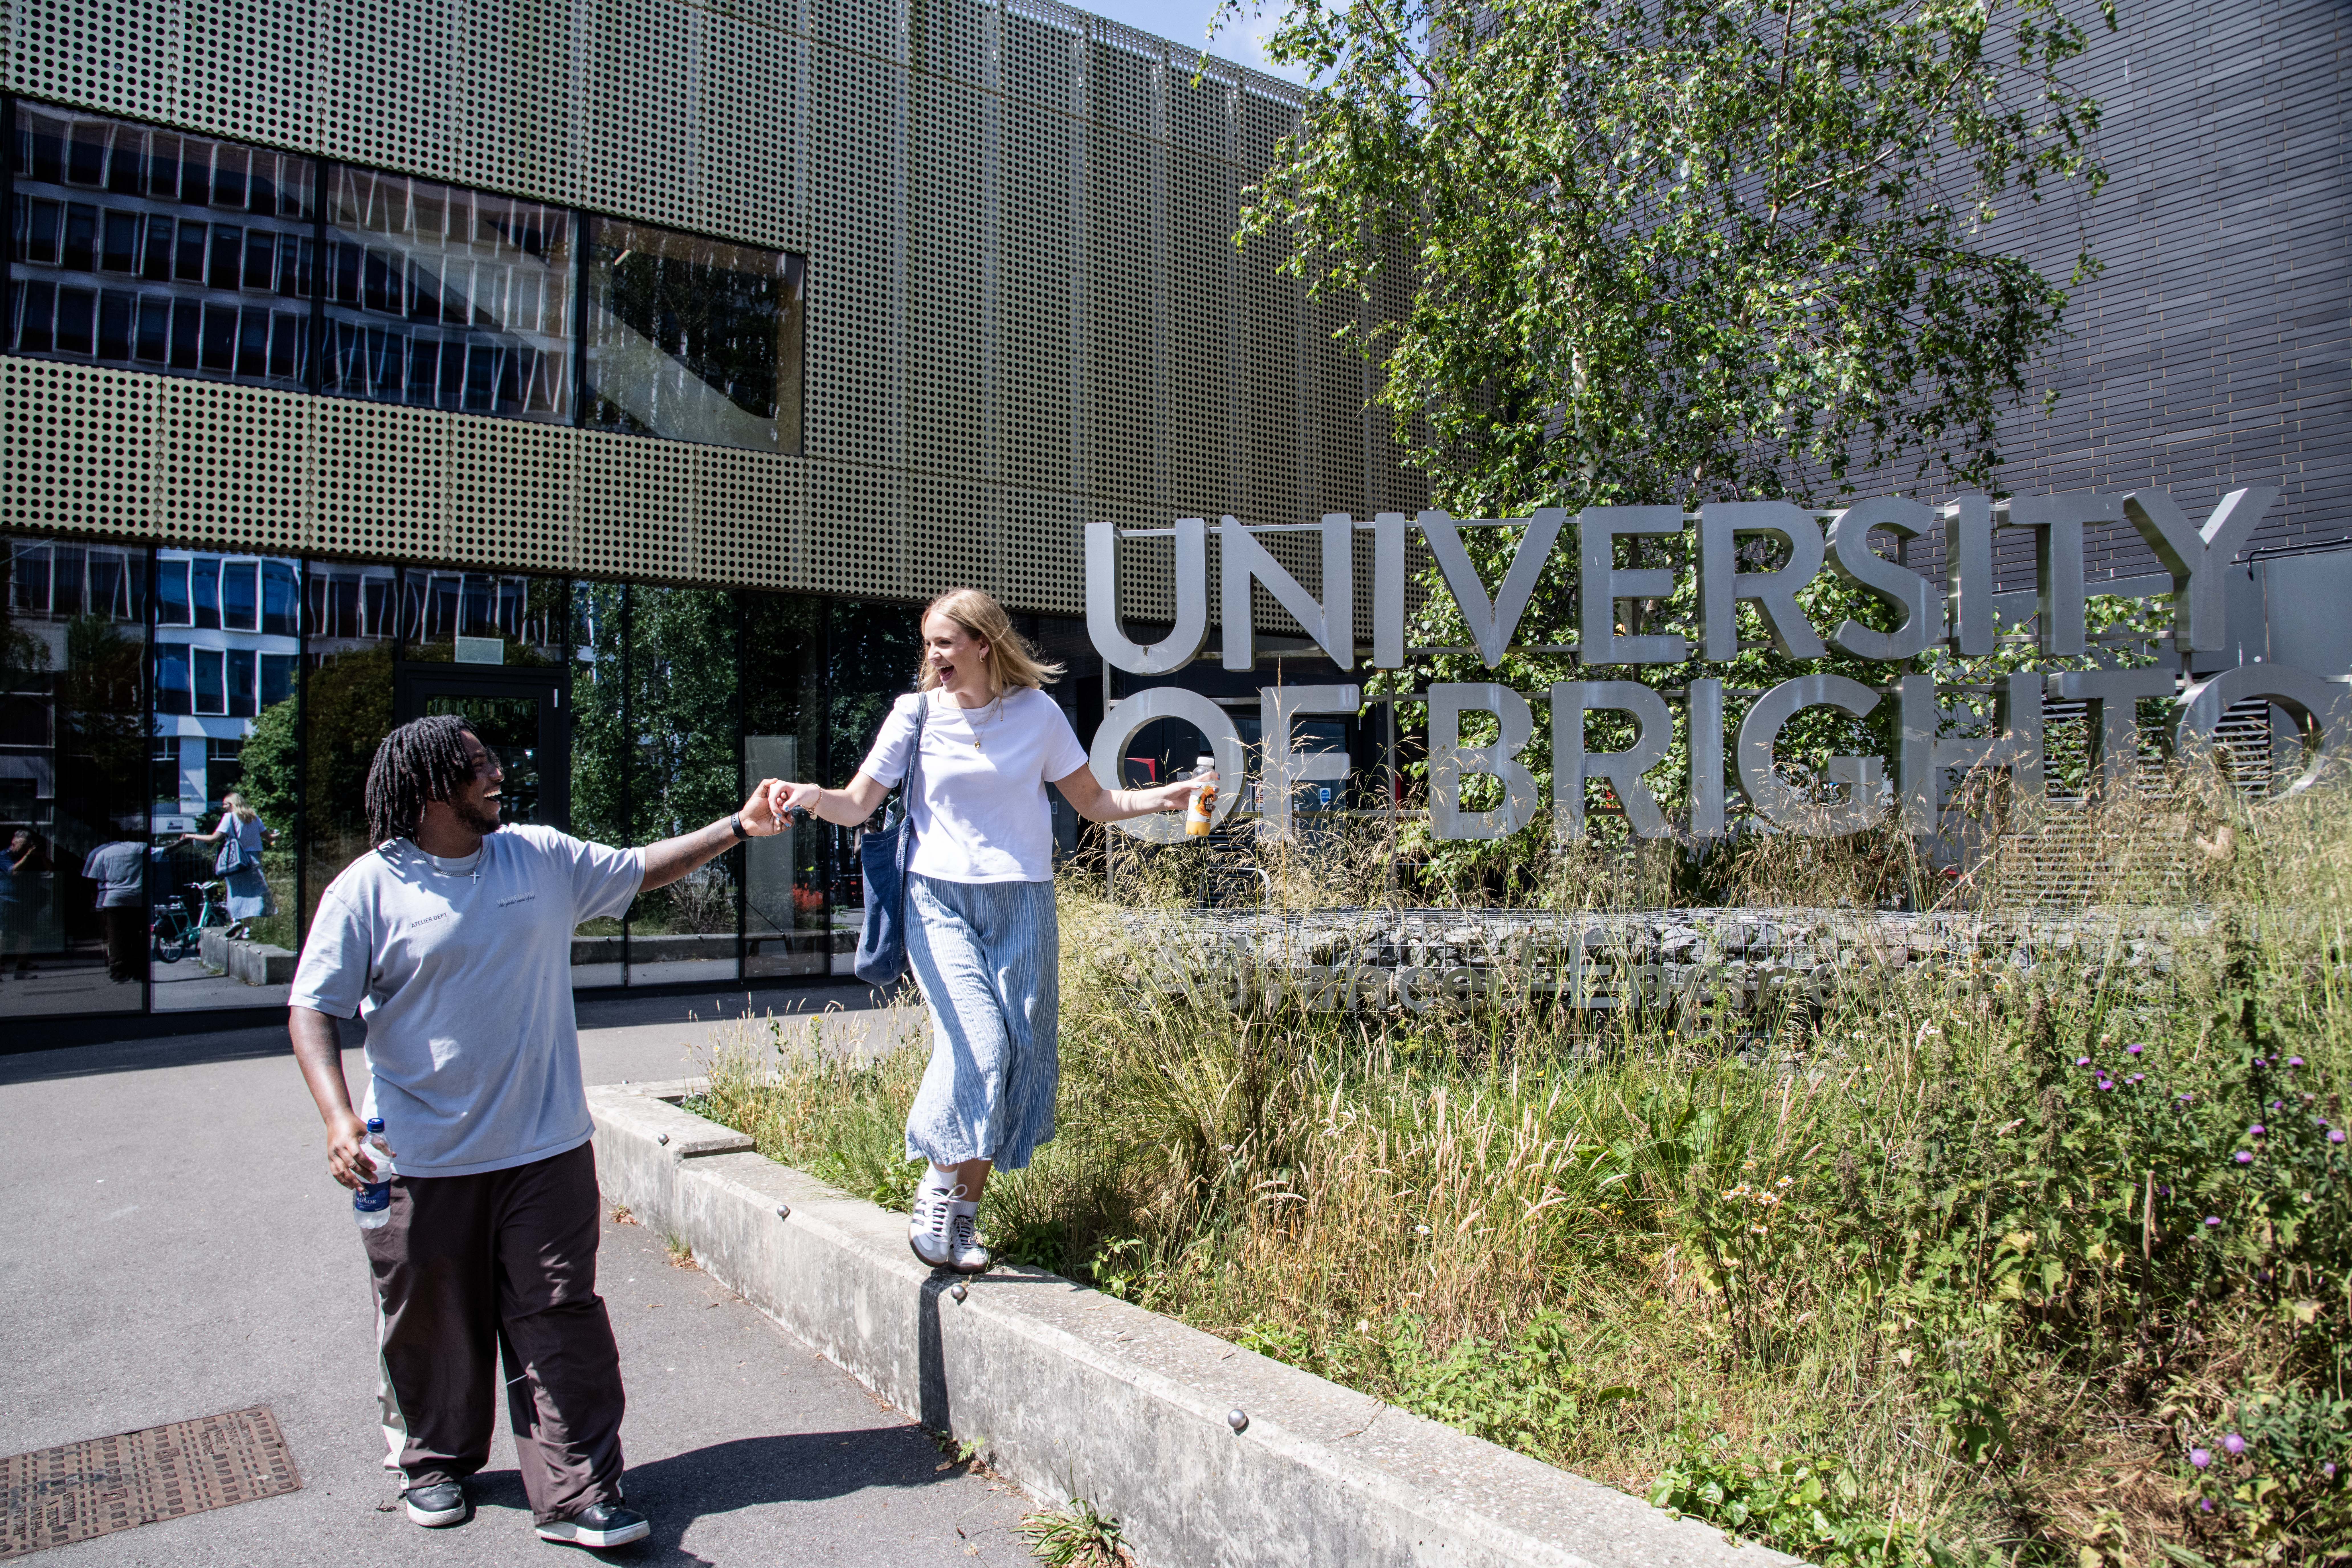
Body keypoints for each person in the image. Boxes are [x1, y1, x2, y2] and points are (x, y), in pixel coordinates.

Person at [286, 715, 791, 1548]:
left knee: (562, 1314)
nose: (498, 776)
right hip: (422, 1156)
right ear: (428, 789)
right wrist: (339, 1118)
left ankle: (581, 1488)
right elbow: (314, 1006)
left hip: (546, 1148)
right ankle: (435, 1461)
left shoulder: (537, 856)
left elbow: (641, 871)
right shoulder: (368, 890)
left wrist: (737, 826)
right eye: (478, 766)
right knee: (433, 1319)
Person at [774, 588, 1208, 1274]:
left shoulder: (1036, 714)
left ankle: (966, 1216)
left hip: (1024, 899)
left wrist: (1166, 797)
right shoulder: (914, 716)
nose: (933, 655)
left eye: (944, 642)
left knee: (1017, 1051)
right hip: (937, 899)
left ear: (983, 642)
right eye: (928, 644)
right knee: (977, 1041)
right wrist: (807, 797)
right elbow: (858, 802)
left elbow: (1093, 803)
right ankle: (937, 1193)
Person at [183, 791, 274, 940]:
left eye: (225, 805)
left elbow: (214, 838)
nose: (224, 808)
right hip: (254, 860)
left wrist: (192, 836)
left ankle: (236, 921)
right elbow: (269, 838)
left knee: (235, 893)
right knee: (251, 894)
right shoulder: (254, 818)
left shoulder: (229, 818)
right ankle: (247, 930)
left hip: (236, 860)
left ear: (231, 805)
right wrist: (276, 836)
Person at [79, 834, 148, 982]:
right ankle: (137, 972)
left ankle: (119, 973)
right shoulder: (138, 850)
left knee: (115, 938)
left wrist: (95, 896)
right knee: (135, 936)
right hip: (135, 898)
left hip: (107, 900)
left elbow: (89, 877)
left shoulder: (98, 852)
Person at [1, 828, 42, 976]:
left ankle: (22, 964)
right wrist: (28, 856)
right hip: (7, 899)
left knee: (26, 933)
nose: (25, 849)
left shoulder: (29, 857)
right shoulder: (3, 856)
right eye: (23, 846)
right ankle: (1, 964)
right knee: (4, 933)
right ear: (14, 843)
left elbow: (50, 869)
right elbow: (14, 871)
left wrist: (38, 856)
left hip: (26, 900)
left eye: (28, 846)